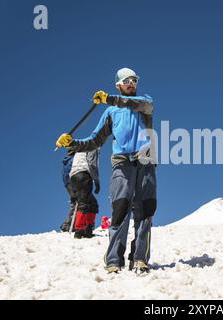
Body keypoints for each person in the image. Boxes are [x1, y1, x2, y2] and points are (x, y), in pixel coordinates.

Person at [55, 67, 156, 274]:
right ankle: (113, 260)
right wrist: (72, 143)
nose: (131, 83)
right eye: (127, 80)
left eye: (134, 80)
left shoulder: (144, 103)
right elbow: (94, 140)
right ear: (118, 84)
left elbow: (142, 104)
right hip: (121, 163)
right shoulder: (111, 112)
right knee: (120, 210)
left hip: (145, 162)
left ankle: (140, 259)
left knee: (145, 211)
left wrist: (110, 98)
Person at [59, 149, 100, 239]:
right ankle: (79, 228)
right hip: (82, 176)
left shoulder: (73, 157)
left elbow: (66, 174)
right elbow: (93, 164)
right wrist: (97, 182)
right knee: (82, 203)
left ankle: (87, 227)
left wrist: (70, 187)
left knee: (90, 202)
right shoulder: (92, 148)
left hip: (72, 179)